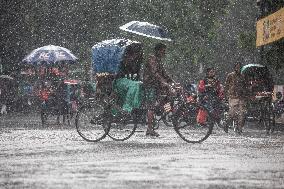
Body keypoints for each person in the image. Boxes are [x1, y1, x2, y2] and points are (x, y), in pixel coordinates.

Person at [143, 43, 176, 137]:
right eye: (163, 50)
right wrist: (164, 82)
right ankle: (149, 128)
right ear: (157, 50)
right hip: (150, 84)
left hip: (157, 85)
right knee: (151, 106)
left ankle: (163, 111)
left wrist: (173, 82)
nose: (164, 52)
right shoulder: (152, 59)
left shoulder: (159, 61)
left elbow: (164, 74)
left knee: (168, 97)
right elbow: (155, 73)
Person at [223, 62, 248, 134]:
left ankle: (239, 128)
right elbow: (226, 86)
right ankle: (226, 122)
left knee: (242, 113)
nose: (238, 68)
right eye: (237, 67)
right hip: (232, 96)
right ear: (234, 68)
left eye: (239, 67)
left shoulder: (243, 76)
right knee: (232, 112)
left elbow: (245, 86)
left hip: (241, 97)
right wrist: (225, 96)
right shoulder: (230, 75)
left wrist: (246, 93)